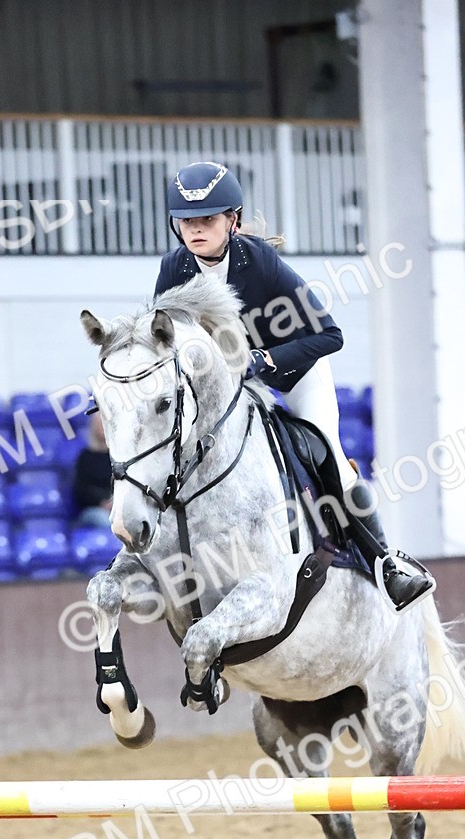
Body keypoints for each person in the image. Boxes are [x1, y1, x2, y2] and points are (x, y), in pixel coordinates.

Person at [154, 161, 433, 614]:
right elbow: (159, 342)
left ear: (233, 221)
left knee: (333, 462)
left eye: (208, 219)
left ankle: (384, 563)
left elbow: (330, 335)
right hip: (233, 389)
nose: (196, 230)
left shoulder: (259, 262)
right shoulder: (174, 269)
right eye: (187, 221)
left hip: (294, 376)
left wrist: (265, 360)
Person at [73, 412, 113, 528]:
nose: (102, 427)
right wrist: (102, 502)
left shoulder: (120, 457)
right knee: (105, 521)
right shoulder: (85, 457)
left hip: (118, 506)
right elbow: (81, 489)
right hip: (94, 509)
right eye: (99, 424)